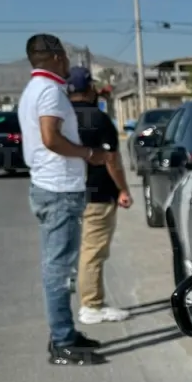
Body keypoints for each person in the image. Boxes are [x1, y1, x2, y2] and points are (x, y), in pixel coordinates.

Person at [18, 35, 111, 365]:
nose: (69, 60)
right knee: (59, 269)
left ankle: (66, 333)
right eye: (66, 55)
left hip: (52, 187)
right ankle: (61, 341)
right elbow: (50, 137)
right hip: (57, 190)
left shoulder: (35, 91)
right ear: (56, 57)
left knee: (60, 265)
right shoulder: (48, 92)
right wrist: (89, 154)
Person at [67, 66, 133, 324]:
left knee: (79, 250)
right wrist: (123, 190)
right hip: (98, 194)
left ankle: (90, 301)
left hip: (70, 193)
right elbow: (111, 161)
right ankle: (91, 305)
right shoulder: (98, 119)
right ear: (90, 89)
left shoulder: (60, 119)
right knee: (93, 252)